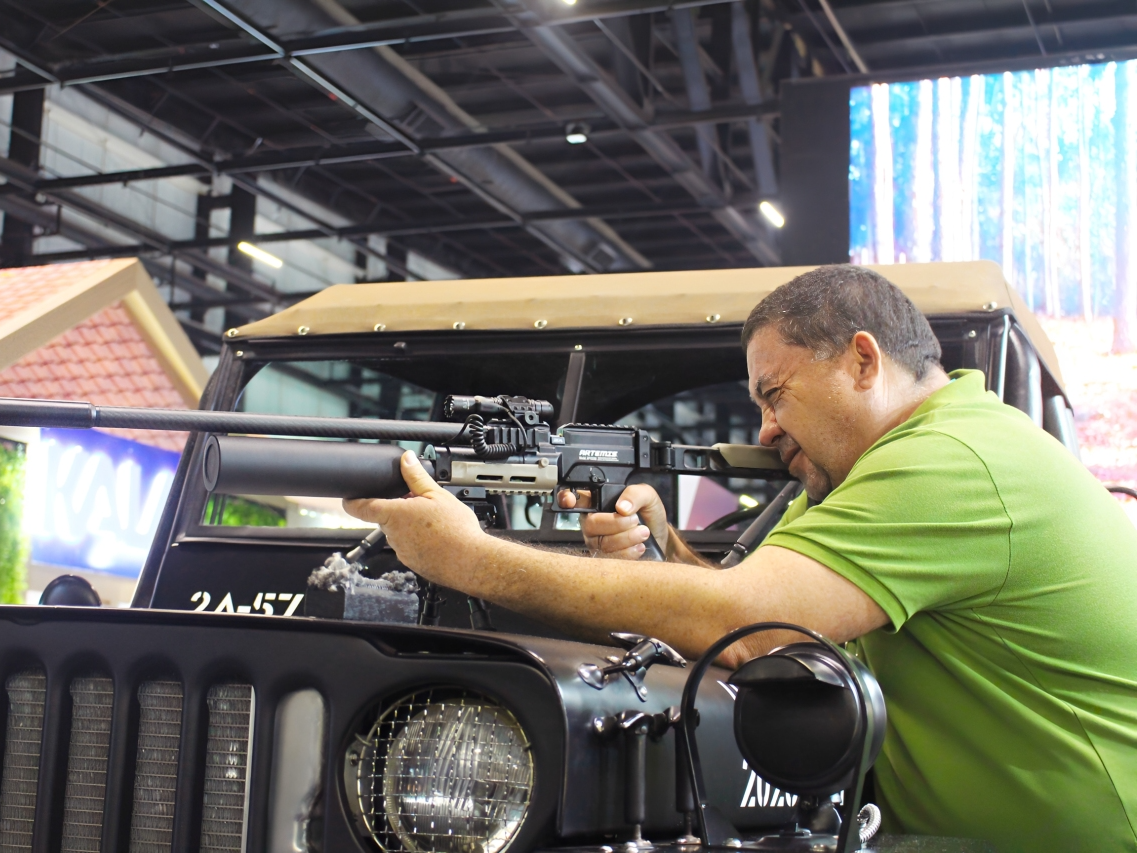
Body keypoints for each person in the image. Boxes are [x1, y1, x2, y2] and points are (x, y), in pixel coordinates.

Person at [345, 265, 1137, 851]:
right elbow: (760, 618)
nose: (763, 429)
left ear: (863, 361)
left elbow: (746, 624)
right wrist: (664, 548)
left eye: (775, 393)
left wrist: (471, 559)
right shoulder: (869, 467)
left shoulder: (952, 462)